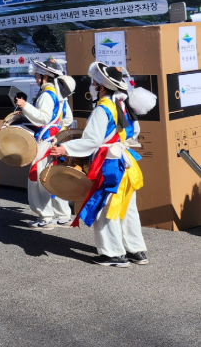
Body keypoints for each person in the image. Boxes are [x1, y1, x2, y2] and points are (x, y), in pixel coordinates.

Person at [52, 62, 156, 267]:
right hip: (126, 162)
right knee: (127, 208)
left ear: (101, 87)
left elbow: (92, 140)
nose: (91, 86)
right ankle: (136, 250)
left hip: (109, 164)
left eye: (94, 83)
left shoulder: (103, 108)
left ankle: (113, 254)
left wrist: (66, 149)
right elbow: (133, 132)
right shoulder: (123, 105)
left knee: (105, 208)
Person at [17, 58, 76, 230]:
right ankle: (64, 216)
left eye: (36, 74)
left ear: (44, 76)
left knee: (38, 177)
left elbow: (42, 117)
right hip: (56, 141)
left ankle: (45, 218)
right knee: (54, 177)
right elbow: (68, 119)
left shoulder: (46, 94)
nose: (35, 77)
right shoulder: (60, 95)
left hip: (44, 142)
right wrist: (56, 129)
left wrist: (25, 106)